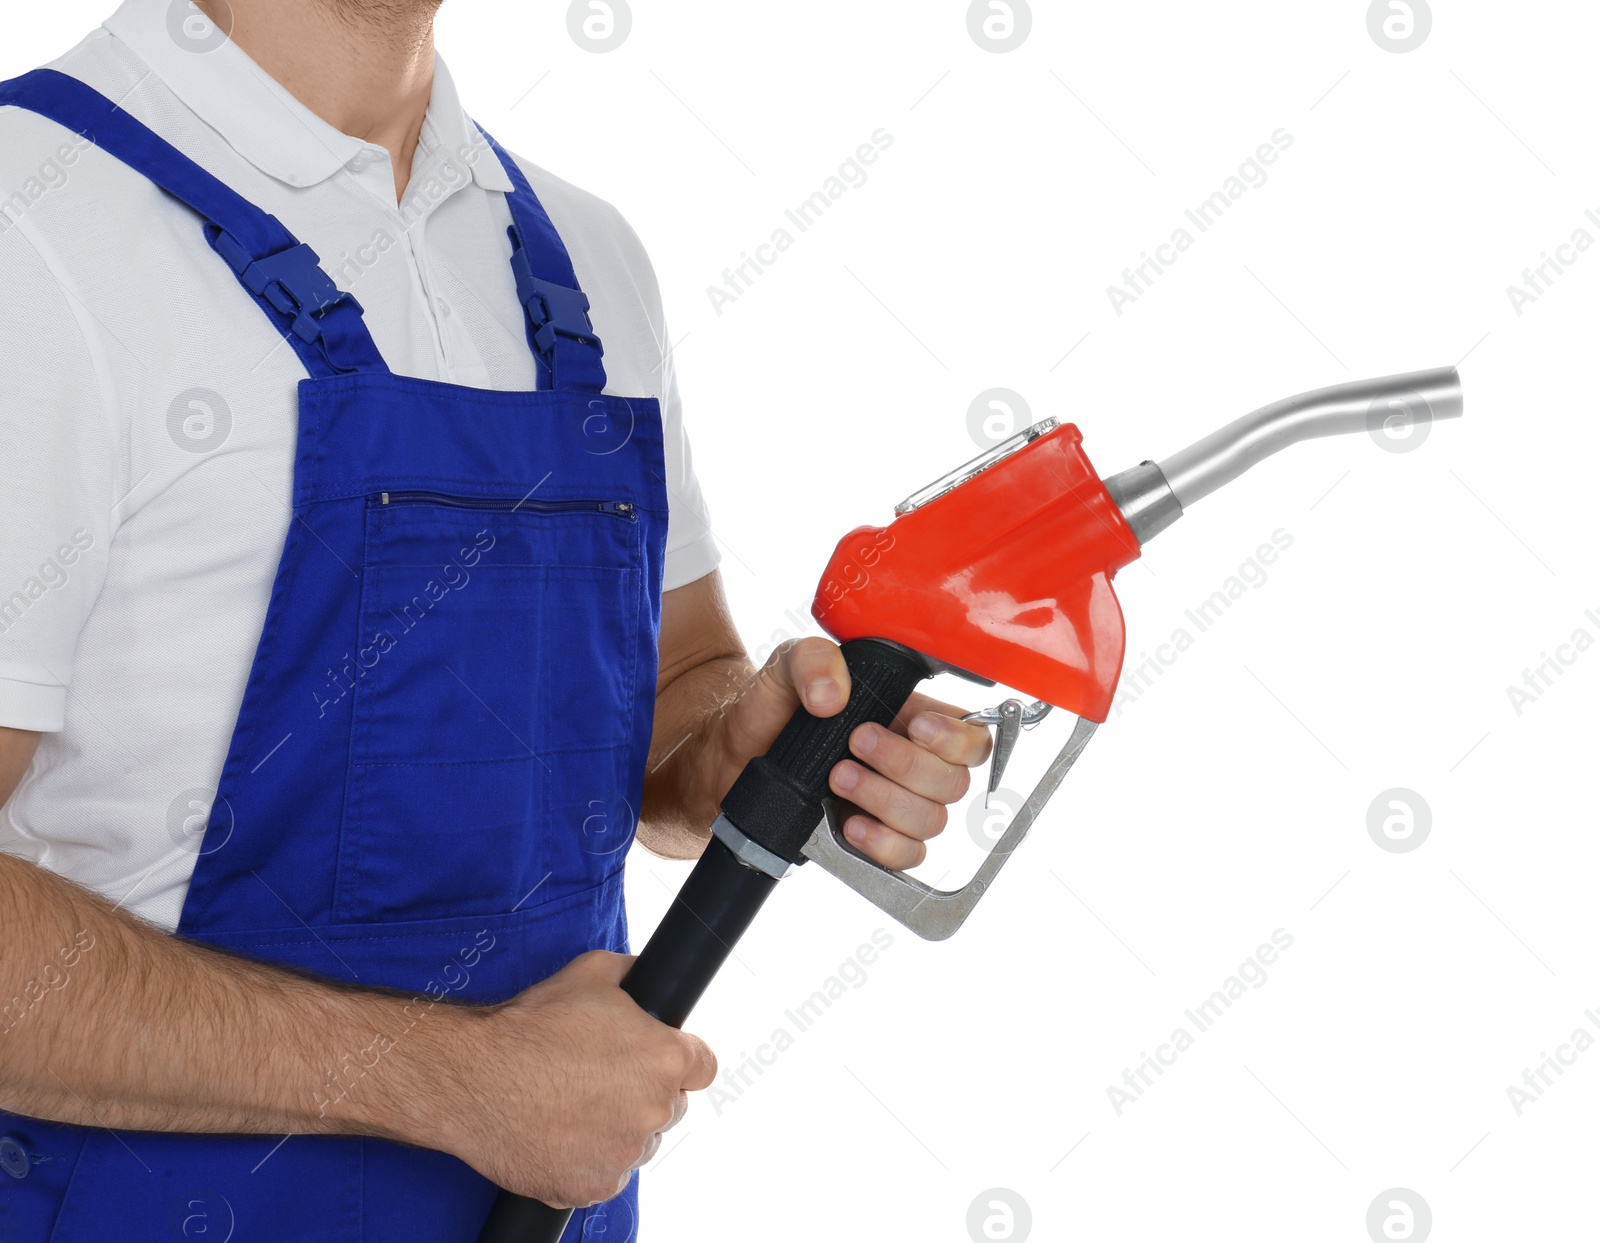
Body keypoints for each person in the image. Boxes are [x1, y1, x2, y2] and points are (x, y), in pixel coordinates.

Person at [0, 0, 990, 1237]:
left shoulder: (581, 256)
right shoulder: (31, 228)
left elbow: (681, 688)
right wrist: (456, 1081)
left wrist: (745, 741)